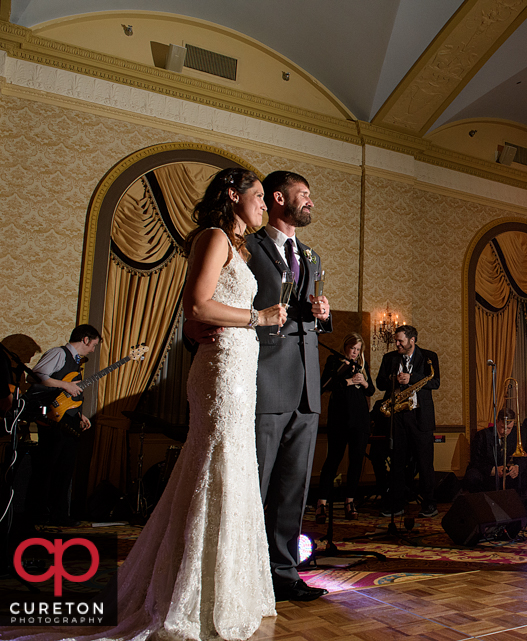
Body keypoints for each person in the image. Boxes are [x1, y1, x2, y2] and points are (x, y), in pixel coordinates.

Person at [26, 168, 287, 641]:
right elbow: (197, 307)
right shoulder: (213, 237)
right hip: (221, 370)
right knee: (216, 464)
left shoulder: (239, 246)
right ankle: (190, 593)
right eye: (258, 197)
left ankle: (227, 588)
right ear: (233, 195)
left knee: (230, 466)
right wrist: (259, 316)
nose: (265, 206)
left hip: (240, 368)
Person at [187, 170, 331, 602]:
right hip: (262, 374)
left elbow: (310, 316)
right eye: (301, 194)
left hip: (307, 380)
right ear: (276, 197)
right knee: (256, 481)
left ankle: (284, 573)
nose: (309, 201)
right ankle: (246, 572)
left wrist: (324, 314)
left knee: (293, 487)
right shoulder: (246, 245)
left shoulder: (310, 255)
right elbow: (208, 299)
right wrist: (196, 331)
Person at [28, 324, 101, 526]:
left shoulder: (76, 362)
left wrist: (79, 414)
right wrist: (65, 384)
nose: (93, 350)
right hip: (51, 420)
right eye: (93, 345)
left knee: (64, 470)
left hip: (68, 420)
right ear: (86, 339)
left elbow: (67, 396)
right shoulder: (58, 353)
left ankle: (59, 516)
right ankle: (37, 516)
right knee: (47, 468)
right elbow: (35, 377)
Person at [375, 325, 440, 517]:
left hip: (420, 417)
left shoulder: (429, 357)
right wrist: (394, 379)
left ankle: (429, 504)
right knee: (397, 462)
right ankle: (396, 504)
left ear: (412, 340)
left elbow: (435, 382)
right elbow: (379, 383)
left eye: (400, 341)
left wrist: (412, 378)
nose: (397, 344)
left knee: (425, 463)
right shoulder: (390, 358)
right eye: (396, 340)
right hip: (398, 417)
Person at [316, 332, 374, 521]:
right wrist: (347, 381)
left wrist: (363, 382)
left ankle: (350, 502)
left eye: (358, 350)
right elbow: (325, 385)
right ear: (345, 347)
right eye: (352, 349)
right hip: (339, 418)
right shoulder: (335, 361)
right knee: (333, 460)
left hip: (360, 420)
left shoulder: (362, 365)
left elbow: (371, 390)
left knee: (356, 461)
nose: (355, 352)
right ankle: (321, 504)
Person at [464, 409, 522, 493]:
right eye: (502, 427)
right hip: (485, 471)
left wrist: (517, 466)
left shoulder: (515, 435)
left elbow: (521, 457)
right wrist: (493, 470)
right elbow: (475, 462)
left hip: (504, 471)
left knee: (524, 474)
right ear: (496, 422)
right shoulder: (481, 436)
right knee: (472, 476)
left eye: (509, 428)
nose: (505, 432)